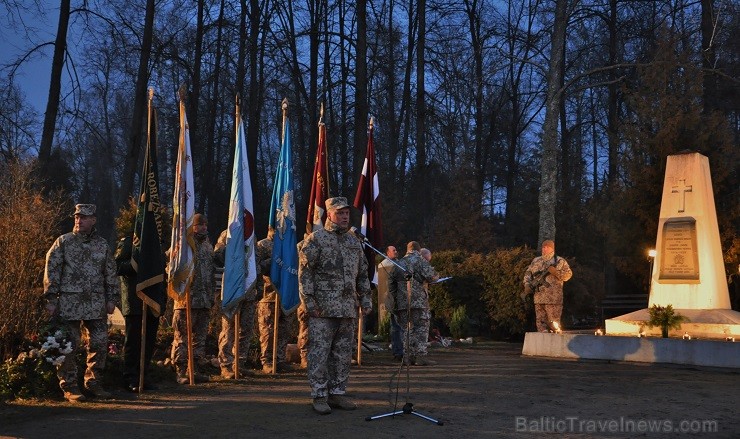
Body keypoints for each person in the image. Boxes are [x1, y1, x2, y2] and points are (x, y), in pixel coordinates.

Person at [298, 197, 372, 414]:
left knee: (342, 353)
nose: (345, 217)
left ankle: (337, 393)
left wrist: (366, 299)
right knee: (320, 353)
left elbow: (362, 274)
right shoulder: (316, 240)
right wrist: (309, 302)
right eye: (340, 213)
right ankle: (319, 395)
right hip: (322, 308)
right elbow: (305, 274)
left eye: (347, 213)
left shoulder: (353, 242)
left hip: (347, 307)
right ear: (329, 214)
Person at [43, 204, 119, 402]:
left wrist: (112, 298)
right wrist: (51, 298)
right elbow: (51, 270)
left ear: (93, 219)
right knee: (70, 345)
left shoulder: (102, 245)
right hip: (70, 303)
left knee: (100, 343)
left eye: (84, 217)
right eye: (77, 217)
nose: (79, 220)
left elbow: (110, 273)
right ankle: (69, 385)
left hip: (96, 304)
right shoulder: (64, 242)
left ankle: (93, 383)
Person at [115, 234, 165, 392]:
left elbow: (161, 272)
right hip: (134, 300)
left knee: (149, 341)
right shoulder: (129, 242)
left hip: (152, 300)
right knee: (134, 341)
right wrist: (137, 261)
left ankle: (144, 375)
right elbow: (117, 266)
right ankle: (131, 377)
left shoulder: (156, 244)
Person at [171, 213, 214, 384]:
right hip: (186, 300)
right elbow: (173, 264)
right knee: (182, 337)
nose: (203, 227)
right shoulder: (185, 245)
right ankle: (180, 371)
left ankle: (194, 370)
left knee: (199, 338)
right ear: (192, 226)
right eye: (199, 224)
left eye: (205, 224)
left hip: (204, 300)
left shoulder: (207, 246)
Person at [214, 229, 259, 379]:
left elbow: (255, 261)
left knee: (246, 329)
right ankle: (226, 365)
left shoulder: (251, 235)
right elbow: (218, 257)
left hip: (249, 290)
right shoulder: (227, 233)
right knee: (229, 329)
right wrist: (233, 245)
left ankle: (239, 364)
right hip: (232, 289)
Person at [389, 241, 439, 366]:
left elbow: (391, 284)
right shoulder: (420, 261)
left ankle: (407, 356)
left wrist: (396, 299)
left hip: (402, 303)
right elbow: (432, 277)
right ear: (418, 250)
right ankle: (420, 356)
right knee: (421, 328)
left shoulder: (398, 263)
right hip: (418, 302)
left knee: (407, 329)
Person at [256, 228, 292, 373]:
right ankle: (267, 361)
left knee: (284, 330)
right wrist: (275, 260)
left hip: (286, 294)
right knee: (268, 331)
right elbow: (257, 268)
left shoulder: (289, 245)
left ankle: (280, 359)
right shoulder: (262, 245)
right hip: (269, 295)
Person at [522, 240, 573, 332]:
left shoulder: (560, 261)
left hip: (553, 299)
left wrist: (556, 272)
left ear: (552, 248)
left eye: (547, 247)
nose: (544, 249)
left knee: (554, 325)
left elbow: (568, 275)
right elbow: (528, 273)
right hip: (539, 298)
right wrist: (527, 285)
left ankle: (555, 345)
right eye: (543, 247)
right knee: (541, 325)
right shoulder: (536, 260)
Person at [378, 245, 404, 361]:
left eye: (396, 250)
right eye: (393, 250)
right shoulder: (386, 265)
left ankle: (402, 350)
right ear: (387, 253)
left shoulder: (400, 263)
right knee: (396, 328)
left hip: (402, 300)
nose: (396, 252)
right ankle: (398, 352)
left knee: (401, 328)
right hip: (393, 301)